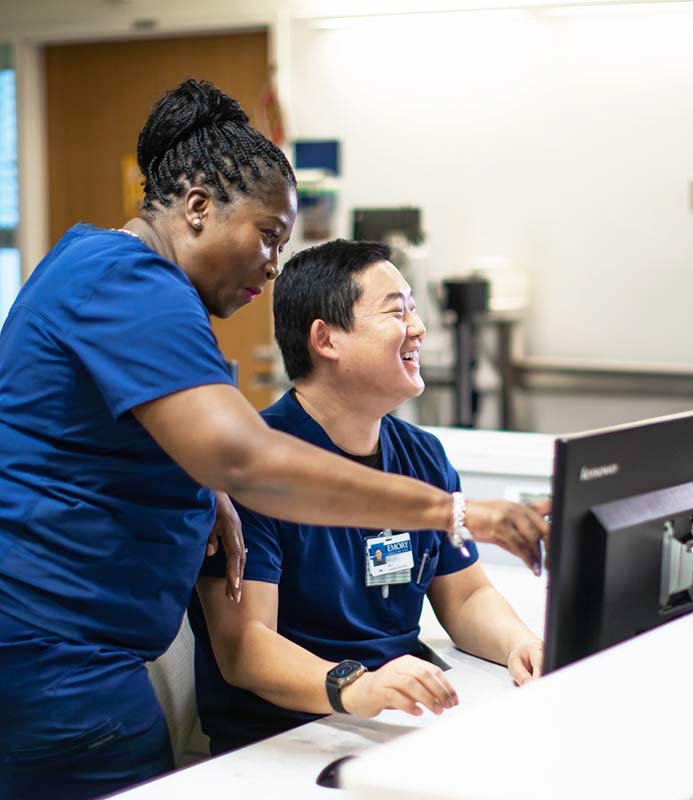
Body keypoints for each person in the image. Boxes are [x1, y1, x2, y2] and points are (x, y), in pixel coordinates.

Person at [0, 80, 546, 800]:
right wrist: (455, 512)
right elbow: (242, 456)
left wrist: (201, 493)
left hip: (55, 636)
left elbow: (144, 439)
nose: (274, 265)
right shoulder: (126, 284)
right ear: (199, 206)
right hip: (37, 640)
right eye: (268, 235)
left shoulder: (121, 278)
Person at [189, 240, 544, 754]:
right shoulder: (256, 467)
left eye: (415, 311)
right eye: (397, 312)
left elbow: (466, 596)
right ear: (326, 339)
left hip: (394, 721)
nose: (418, 330)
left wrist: (520, 644)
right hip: (285, 740)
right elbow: (244, 647)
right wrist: (355, 685)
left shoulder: (421, 455)